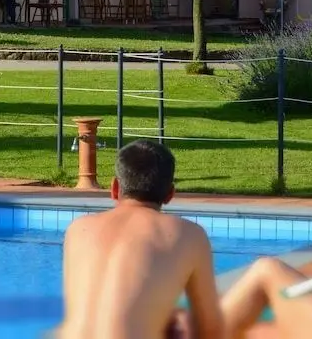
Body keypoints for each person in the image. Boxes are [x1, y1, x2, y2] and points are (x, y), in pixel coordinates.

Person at [56, 140, 223, 339]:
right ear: (170, 194)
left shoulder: (78, 229)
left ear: (114, 188)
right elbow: (211, 329)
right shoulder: (190, 235)